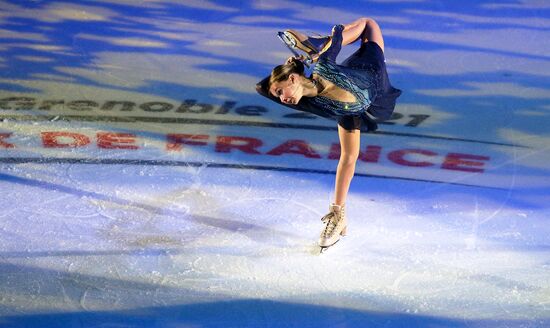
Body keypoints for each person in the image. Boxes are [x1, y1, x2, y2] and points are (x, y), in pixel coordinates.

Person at [256, 17, 401, 249]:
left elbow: (343, 32)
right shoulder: (302, 96)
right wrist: (293, 65)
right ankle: (338, 214)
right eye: (279, 96)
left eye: (281, 91)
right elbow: (261, 88)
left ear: (293, 78)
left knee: (369, 24)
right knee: (348, 158)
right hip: (349, 110)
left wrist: (327, 44)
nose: (283, 100)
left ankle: (319, 42)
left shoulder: (323, 67)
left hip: (369, 76)